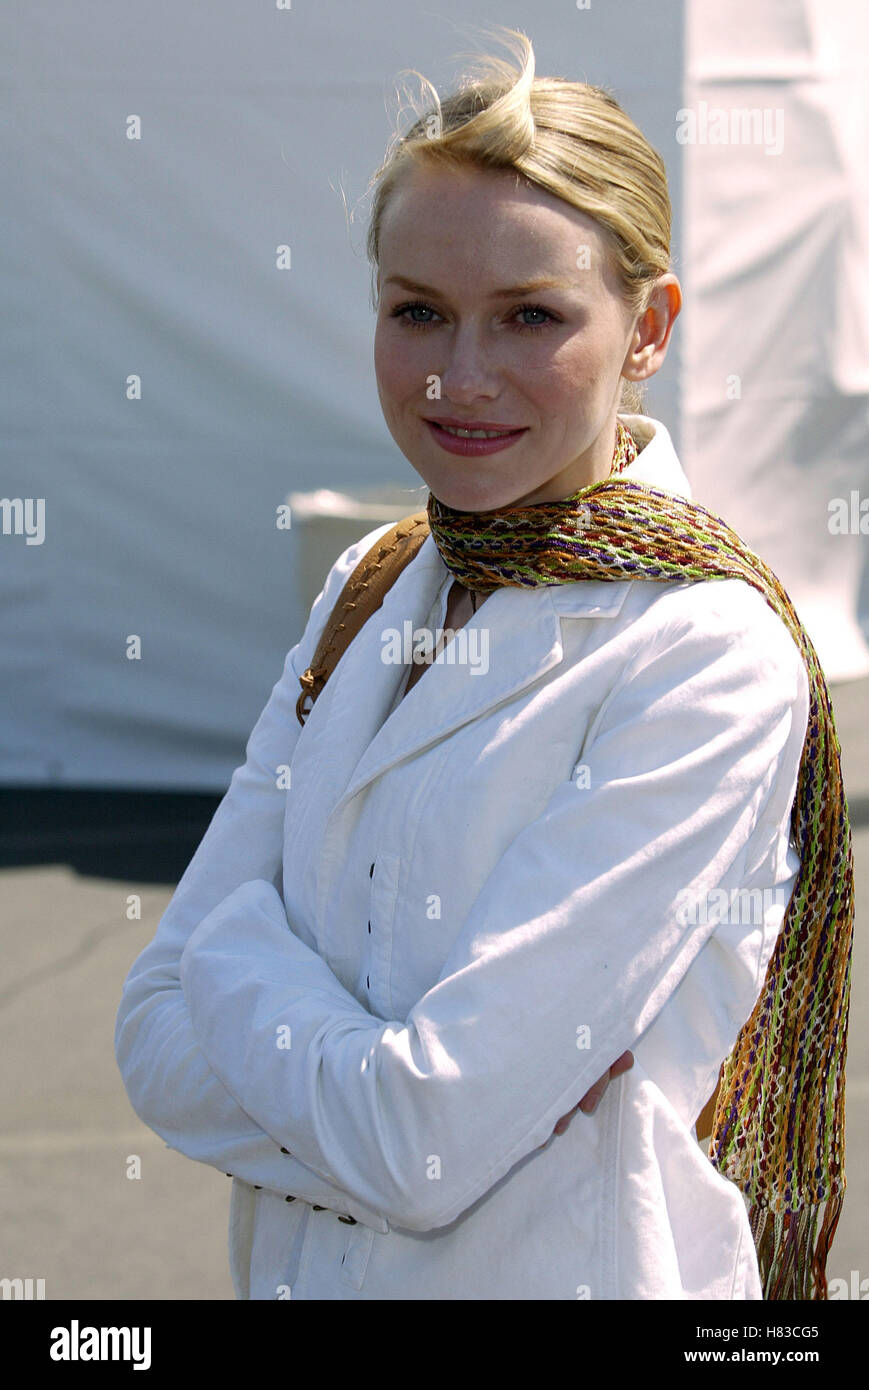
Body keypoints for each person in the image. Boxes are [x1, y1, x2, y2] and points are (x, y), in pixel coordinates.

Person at [115, 27, 852, 1300]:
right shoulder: (374, 583)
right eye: (418, 313)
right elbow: (148, 1039)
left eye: (530, 317)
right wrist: (387, 1091)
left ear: (649, 327)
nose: (461, 379)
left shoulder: (701, 649)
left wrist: (235, 958)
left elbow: (424, 1146)